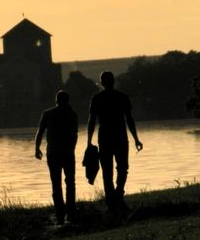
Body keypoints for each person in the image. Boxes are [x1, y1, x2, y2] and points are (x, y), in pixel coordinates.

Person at [87, 71, 143, 212]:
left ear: (101, 82)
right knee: (122, 167)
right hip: (120, 136)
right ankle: (118, 195)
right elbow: (129, 119)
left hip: (104, 137)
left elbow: (92, 121)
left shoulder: (96, 98)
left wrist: (88, 141)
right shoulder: (122, 97)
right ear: (113, 81)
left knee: (107, 170)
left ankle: (112, 201)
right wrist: (136, 138)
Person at [35, 90, 78, 224]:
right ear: (67, 100)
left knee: (56, 183)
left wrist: (37, 148)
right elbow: (74, 134)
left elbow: (40, 132)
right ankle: (70, 212)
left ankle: (60, 213)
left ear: (56, 100)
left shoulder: (47, 114)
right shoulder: (71, 114)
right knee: (70, 182)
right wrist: (72, 148)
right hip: (67, 152)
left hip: (53, 153)